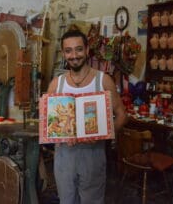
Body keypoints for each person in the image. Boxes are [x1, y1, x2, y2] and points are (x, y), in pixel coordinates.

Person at [46, 29, 127, 204]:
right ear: (63, 53)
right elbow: (49, 122)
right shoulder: (55, 84)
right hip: (64, 155)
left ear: (87, 49)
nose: (74, 55)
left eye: (79, 49)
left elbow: (121, 115)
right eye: (68, 51)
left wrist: (103, 134)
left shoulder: (103, 81)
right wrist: (58, 136)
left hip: (93, 154)